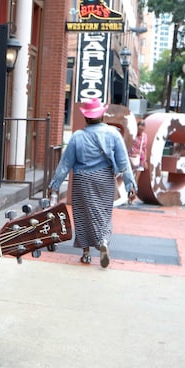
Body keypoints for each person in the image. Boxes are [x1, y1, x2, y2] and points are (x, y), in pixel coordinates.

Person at [48, 98, 137, 268]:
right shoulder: (113, 134)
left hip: (82, 179)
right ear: (102, 114)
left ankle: (86, 253)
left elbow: (65, 164)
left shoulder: (77, 136)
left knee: (82, 216)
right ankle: (103, 241)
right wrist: (130, 185)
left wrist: (54, 185)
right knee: (103, 214)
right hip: (104, 179)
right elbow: (123, 162)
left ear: (86, 117)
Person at [130, 119, 148, 187]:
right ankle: (129, 192)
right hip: (131, 157)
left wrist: (145, 161)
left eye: (142, 130)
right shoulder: (132, 134)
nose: (140, 131)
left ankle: (134, 193)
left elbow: (145, 148)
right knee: (130, 177)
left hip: (140, 159)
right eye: (139, 129)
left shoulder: (145, 136)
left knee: (136, 178)